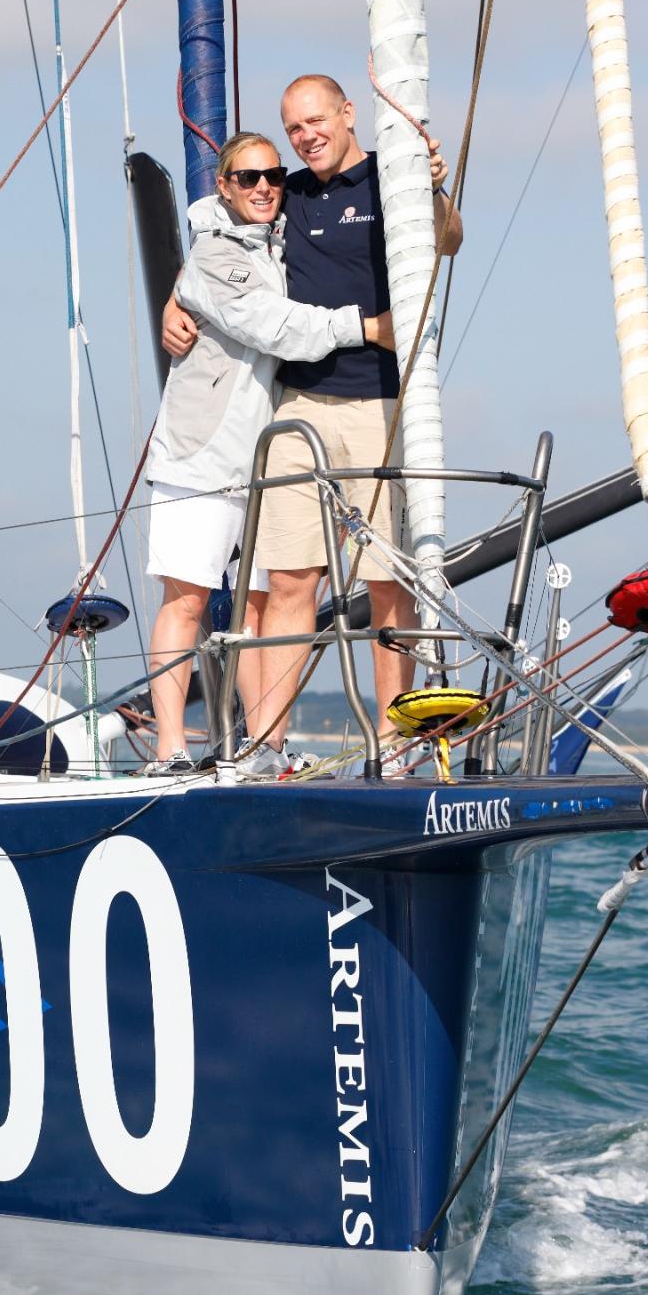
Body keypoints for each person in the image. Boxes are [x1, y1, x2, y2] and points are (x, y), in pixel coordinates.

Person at [164, 75, 462, 775]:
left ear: (347, 114)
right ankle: (268, 743)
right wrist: (176, 297)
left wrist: (433, 189)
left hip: (381, 406)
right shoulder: (286, 194)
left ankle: (395, 743)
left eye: (316, 121)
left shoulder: (392, 183)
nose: (306, 137)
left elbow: (445, 241)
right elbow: (219, 228)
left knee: (387, 583)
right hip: (299, 409)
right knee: (293, 581)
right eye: (294, 128)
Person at [144, 130, 394, 776]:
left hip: (257, 460)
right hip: (199, 455)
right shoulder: (212, 257)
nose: (263, 187)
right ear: (223, 185)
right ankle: (170, 745)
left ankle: (264, 747)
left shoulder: (276, 237)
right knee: (187, 600)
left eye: (273, 177)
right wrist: (366, 327)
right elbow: (275, 325)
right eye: (247, 177)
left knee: (258, 609)